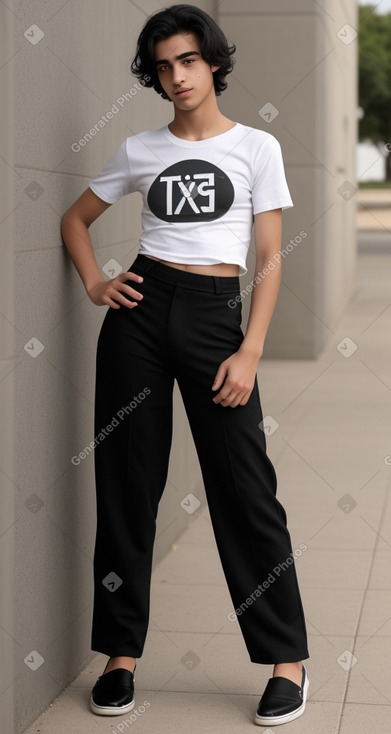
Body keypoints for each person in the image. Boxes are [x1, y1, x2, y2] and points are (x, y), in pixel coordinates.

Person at [61, 4, 310, 727]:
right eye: (165, 65)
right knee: (127, 485)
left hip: (213, 316)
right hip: (138, 316)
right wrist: (96, 284)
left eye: (189, 60)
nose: (177, 76)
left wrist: (249, 348)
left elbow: (267, 260)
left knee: (244, 487)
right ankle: (120, 656)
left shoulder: (255, 147)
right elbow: (74, 219)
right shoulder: (140, 149)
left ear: (213, 62)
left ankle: (286, 660)